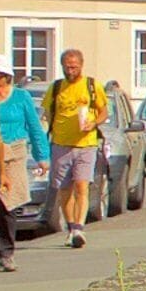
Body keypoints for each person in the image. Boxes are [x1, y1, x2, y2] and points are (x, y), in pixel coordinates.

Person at [0, 57, 49, 274]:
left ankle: (7, 253)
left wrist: (42, 156)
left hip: (15, 153)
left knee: (8, 205)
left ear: (6, 77)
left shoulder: (21, 97)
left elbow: (34, 127)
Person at [45, 47, 108, 249]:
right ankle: (71, 227)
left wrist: (93, 123)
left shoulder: (91, 85)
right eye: (67, 67)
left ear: (81, 65)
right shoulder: (56, 88)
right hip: (61, 144)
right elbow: (47, 111)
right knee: (64, 190)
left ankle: (79, 228)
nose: (71, 71)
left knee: (82, 185)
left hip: (86, 144)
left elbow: (104, 112)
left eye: (74, 67)